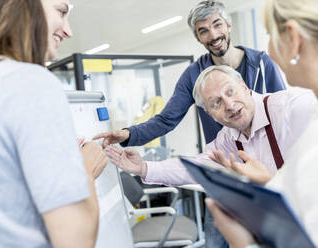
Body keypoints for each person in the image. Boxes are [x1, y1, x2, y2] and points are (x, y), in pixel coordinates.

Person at [94, 1, 285, 246]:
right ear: (198, 37)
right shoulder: (194, 75)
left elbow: (281, 113)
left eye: (217, 25)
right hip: (221, 176)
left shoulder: (261, 64)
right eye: (203, 30)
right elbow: (166, 119)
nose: (213, 35)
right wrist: (128, 134)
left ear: (228, 25)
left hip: (264, 178)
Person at [205, 0, 318, 247]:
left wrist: (244, 244)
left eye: (270, 35)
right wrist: (271, 181)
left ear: (292, 38)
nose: (269, 50)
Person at [0, 0, 108, 247]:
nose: (69, 31)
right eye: (61, 11)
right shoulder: (30, 83)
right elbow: (74, 240)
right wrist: (85, 169)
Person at [104, 64, 315, 189]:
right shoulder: (228, 137)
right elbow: (196, 167)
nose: (230, 106)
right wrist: (143, 168)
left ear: (245, 87)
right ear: (209, 114)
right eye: (216, 103)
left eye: (230, 92)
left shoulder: (292, 108)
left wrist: (271, 182)